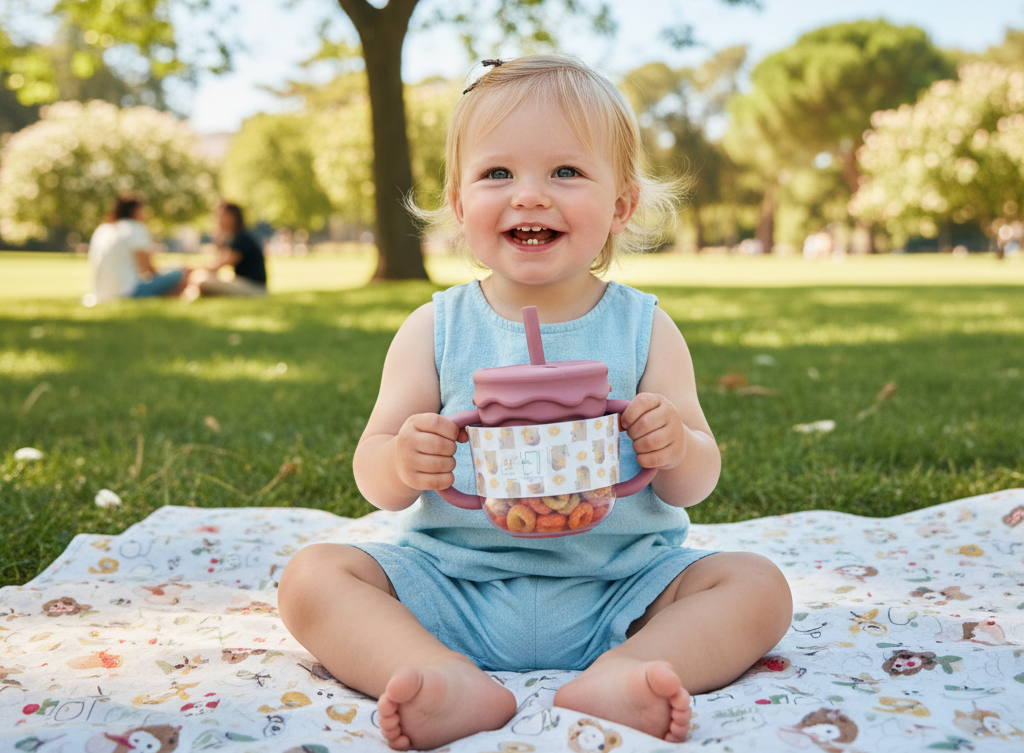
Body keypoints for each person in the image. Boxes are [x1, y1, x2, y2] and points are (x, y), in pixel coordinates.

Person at [278, 55, 792, 750]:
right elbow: (374, 475)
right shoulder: (435, 328)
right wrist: (404, 458)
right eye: (498, 173)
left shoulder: (644, 327)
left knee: (758, 585)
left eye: (566, 172)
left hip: (622, 589)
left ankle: (628, 672)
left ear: (621, 205)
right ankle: (439, 675)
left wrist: (674, 443)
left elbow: (700, 475)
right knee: (313, 577)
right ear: (460, 207)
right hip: (454, 586)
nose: (529, 196)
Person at [87, 195, 186, 301]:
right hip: (129, 292)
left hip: (101, 294)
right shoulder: (135, 228)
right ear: (135, 211)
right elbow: (148, 271)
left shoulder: (103, 229)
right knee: (179, 272)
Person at [184, 202, 267, 298]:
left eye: (220, 215)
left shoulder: (242, 239)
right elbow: (217, 264)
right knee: (202, 277)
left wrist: (190, 268)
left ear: (232, 217)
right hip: (246, 284)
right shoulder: (234, 237)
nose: (217, 219)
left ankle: (188, 295)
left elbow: (217, 266)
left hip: (255, 289)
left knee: (202, 279)